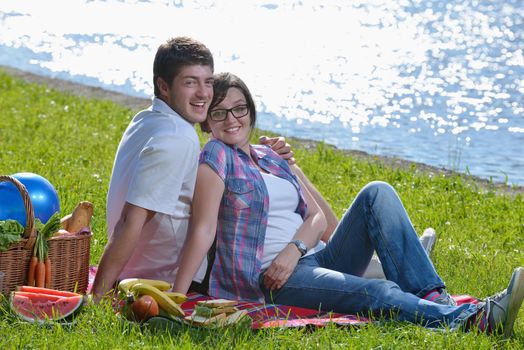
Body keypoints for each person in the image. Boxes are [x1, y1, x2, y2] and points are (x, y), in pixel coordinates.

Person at [172, 72, 524, 337]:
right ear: (207, 121)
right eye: (219, 113)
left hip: (309, 258)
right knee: (379, 290)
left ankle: (435, 298)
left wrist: (294, 246)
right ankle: (473, 320)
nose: (232, 119)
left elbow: (317, 218)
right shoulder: (216, 155)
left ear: (251, 110)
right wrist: (175, 299)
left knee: (377, 191)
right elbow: (203, 230)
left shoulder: (269, 156)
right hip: (273, 279)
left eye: (239, 108)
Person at [91, 37, 293, 301]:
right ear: (163, 86)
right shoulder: (177, 138)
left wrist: (261, 152)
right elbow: (130, 221)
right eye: (190, 82)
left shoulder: (147, 119)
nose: (204, 93)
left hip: (140, 269)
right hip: (171, 279)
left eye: (207, 81)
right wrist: (97, 296)